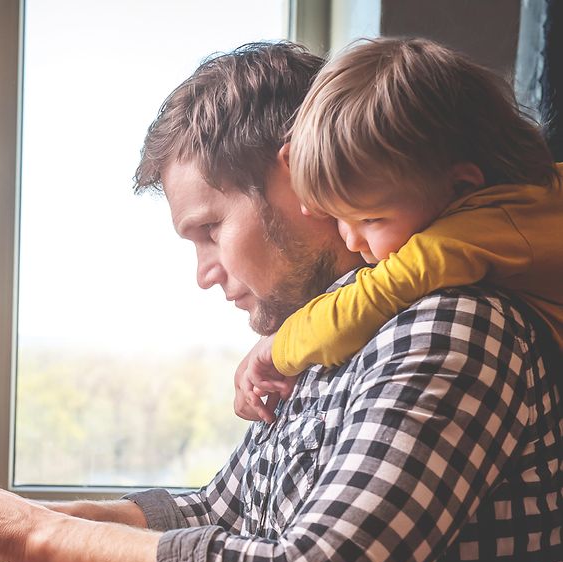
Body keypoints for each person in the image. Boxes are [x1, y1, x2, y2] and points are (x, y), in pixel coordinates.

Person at [0, 41, 562, 562]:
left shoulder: (450, 325)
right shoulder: (334, 332)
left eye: (210, 229)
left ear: (297, 176)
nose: (205, 271)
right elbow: (214, 508)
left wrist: (39, 536)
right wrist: (12, 521)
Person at [233, 38, 563, 423]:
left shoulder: (469, 237)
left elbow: (371, 300)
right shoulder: (529, 203)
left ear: (461, 188)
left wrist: (275, 349)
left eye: (370, 220)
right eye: (339, 218)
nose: (352, 240)